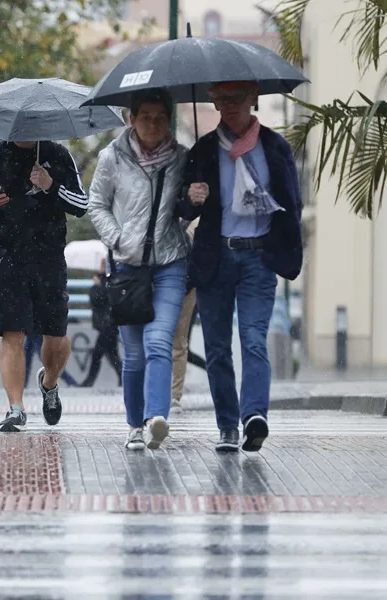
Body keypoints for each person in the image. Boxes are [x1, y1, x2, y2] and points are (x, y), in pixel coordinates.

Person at [180, 81, 303, 453]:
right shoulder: (203, 150)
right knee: (217, 349)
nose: (228, 106)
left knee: (253, 341)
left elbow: (292, 204)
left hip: (258, 259)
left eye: (236, 99)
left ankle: (254, 417)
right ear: (214, 103)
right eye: (221, 99)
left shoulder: (275, 147)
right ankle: (227, 427)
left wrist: (286, 251)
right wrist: (191, 197)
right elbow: (182, 210)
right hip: (215, 258)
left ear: (254, 100)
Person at [87, 88, 190, 451]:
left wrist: (195, 199)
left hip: (170, 264)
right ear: (131, 119)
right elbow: (95, 205)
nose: (153, 123)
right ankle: (134, 424)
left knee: (158, 340)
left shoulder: (181, 158)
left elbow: (186, 208)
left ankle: (156, 418)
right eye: (145, 116)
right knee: (133, 354)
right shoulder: (110, 158)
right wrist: (117, 240)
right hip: (128, 268)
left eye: (161, 117)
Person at [0, 138, 88, 432]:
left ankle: (49, 383)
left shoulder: (58, 154)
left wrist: (50, 185)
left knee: (56, 339)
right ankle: (15, 408)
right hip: (7, 255)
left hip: (49, 257)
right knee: (12, 333)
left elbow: (82, 205)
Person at [170, 218, 201, 414]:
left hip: (187, 285)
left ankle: (174, 396)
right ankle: (165, 393)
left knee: (179, 343)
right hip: (163, 281)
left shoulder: (195, 223)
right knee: (163, 342)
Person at [83, 258, 122, 388]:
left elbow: (100, 299)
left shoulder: (109, 281)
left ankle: (89, 382)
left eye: (103, 264)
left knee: (98, 355)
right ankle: (122, 378)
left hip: (109, 325)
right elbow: (94, 300)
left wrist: (97, 285)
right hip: (106, 325)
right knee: (112, 356)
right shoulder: (102, 281)